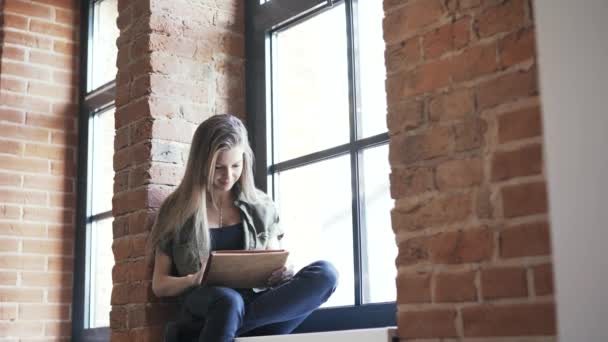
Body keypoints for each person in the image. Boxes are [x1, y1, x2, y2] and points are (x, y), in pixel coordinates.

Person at [147, 114, 338, 342]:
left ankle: (206, 333)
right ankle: (220, 327)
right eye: (218, 167)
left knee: (326, 274)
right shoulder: (176, 209)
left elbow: (272, 260)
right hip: (204, 303)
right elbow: (160, 285)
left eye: (235, 165)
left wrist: (281, 274)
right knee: (228, 301)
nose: (228, 176)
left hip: (253, 303)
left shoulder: (261, 205)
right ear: (201, 163)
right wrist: (193, 279)